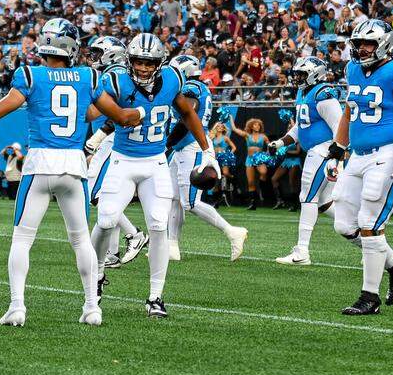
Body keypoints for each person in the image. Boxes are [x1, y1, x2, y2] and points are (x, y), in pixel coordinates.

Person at [0, 18, 139, 327]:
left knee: (22, 239)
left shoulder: (30, 75)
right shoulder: (87, 77)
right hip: (73, 164)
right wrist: (141, 112)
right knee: (82, 240)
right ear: (71, 48)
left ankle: (17, 306)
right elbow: (121, 117)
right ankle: (91, 307)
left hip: (40, 164)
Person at [90, 33, 219, 319]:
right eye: (138, 61)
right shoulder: (116, 81)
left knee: (159, 225)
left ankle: (155, 296)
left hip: (155, 162)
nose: (144, 68)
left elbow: (187, 113)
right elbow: (94, 112)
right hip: (122, 160)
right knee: (107, 218)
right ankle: (96, 275)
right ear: (129, 61)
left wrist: (207, 150)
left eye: (149, 63)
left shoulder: (173, 79)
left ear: (159, 63)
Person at [332, 19, 393, 316]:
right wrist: (338, 148)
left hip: (387, 154)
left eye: (367, 43)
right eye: (358, 43)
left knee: (370, 224)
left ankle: (368, 297)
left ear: (384, 43)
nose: (361, 49)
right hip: (357, 155)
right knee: (344, 225)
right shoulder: (353, 69)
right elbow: (350, 110)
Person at [164, 54, 248, 262]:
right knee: (173, 198)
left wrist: (167, 142)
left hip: (191, 145)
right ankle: (172, 246)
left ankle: (232, 232)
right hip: (183, 147)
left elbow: (186, 120)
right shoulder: (197, 87)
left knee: (190, 203)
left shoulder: (191, 88)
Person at [84, 35, 149, 268]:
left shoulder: (120, 76)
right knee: (106, 195)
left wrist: (99, 135)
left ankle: (134, 234)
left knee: (97, 193)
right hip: (112, 140)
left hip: (116, 140)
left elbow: (124, 114)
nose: (92, 58)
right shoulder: (114, 74)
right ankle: (111, 254)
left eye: (97, 52)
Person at [275, 57, 345, 266]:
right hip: (315, 151)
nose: (297, 78)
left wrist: (336, 156)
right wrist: (281, 142)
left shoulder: (324, 93)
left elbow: (340, 125)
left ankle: (302, 251)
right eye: (296, 74)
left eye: (301, 74)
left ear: (316, 73)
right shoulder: (303, 92)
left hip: (323, 150)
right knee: (323, 202)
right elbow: (300, 126)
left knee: (307, 196)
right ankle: (364, 236)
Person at [231, 117, 270, 209]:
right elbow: (234, 129)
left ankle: (260, 188)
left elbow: (269, 145)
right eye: (255, 125)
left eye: (258, 125)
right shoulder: (247, 135)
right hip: (250, 159)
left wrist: (268, 153)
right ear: (251, 126)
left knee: (263, 173)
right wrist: (231, 118)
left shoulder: (263, 136)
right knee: (251, 182)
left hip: (260, 158)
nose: (257, 126)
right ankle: (253, 204)